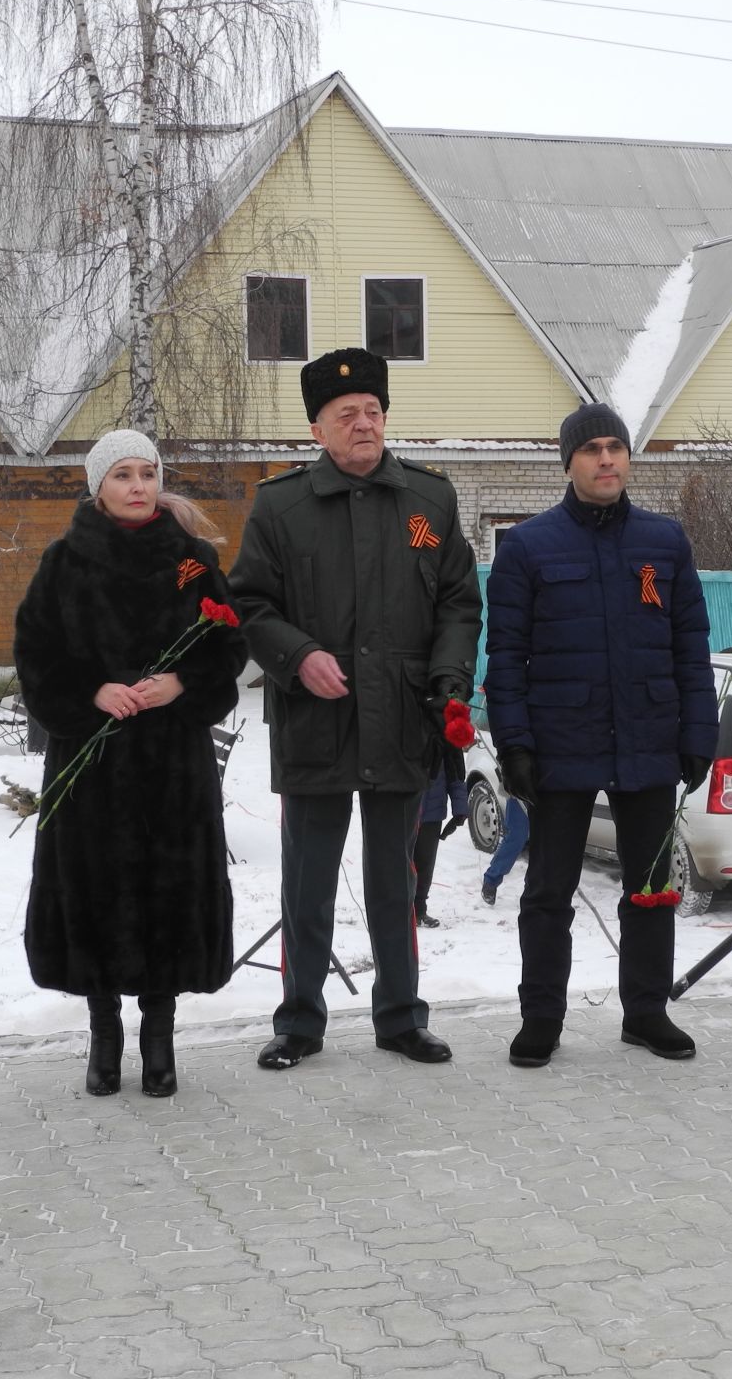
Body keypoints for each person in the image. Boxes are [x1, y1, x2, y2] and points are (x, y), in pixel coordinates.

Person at [229, 347, 483, 1070]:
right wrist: (297, 656)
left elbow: (459, 603)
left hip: (401, 717)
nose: (364, 424)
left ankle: (401, 1017)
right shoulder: (280, 505)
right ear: (318, 430)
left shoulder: (430, 501)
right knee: (306, 882)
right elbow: (248, 601)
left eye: (373, 411)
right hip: (315, 720)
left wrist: (449, 681)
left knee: (395, 881)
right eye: (347, 415)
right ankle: (300, 1023)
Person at [13, 429, 247, 1099]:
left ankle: (160, 1035)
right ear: (98, 487)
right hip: (91, 770)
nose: (139, 486)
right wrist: (91, 692)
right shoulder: (64, 563)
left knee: (168, 895)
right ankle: (104, 1032)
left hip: (172, 767)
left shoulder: (191, 560)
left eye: (148, 473)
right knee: (95, 894)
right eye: (123, 475)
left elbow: (228, 649)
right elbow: (34, 654)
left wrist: (183, 685)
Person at [483, 403, 717, 1068]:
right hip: (562, 744)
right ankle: (541, 1018)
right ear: (569, 462)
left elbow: (689, 645)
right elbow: (506, 657)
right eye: (591, 449)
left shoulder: (664, 543)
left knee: (649, 888)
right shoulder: (529, 547)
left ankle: (646, 1012)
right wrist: (516, 745)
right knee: (548, 893)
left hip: (648, 738)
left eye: (616, 447)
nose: (606, 459)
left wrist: (698, 731)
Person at [409, 749, 469, 928]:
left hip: (431, 814)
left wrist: (460, 809)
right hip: (401, 812)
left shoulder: (443, 730)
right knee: (400, 865)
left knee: (425, 865)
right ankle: (398, 910)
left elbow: (455, 773)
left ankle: (419, 910)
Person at [479, 792, 529, 906]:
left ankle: (533, 888)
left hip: (550, 788)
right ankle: (491, 880)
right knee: (517, 835)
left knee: (543, 839)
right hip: (521, 787)